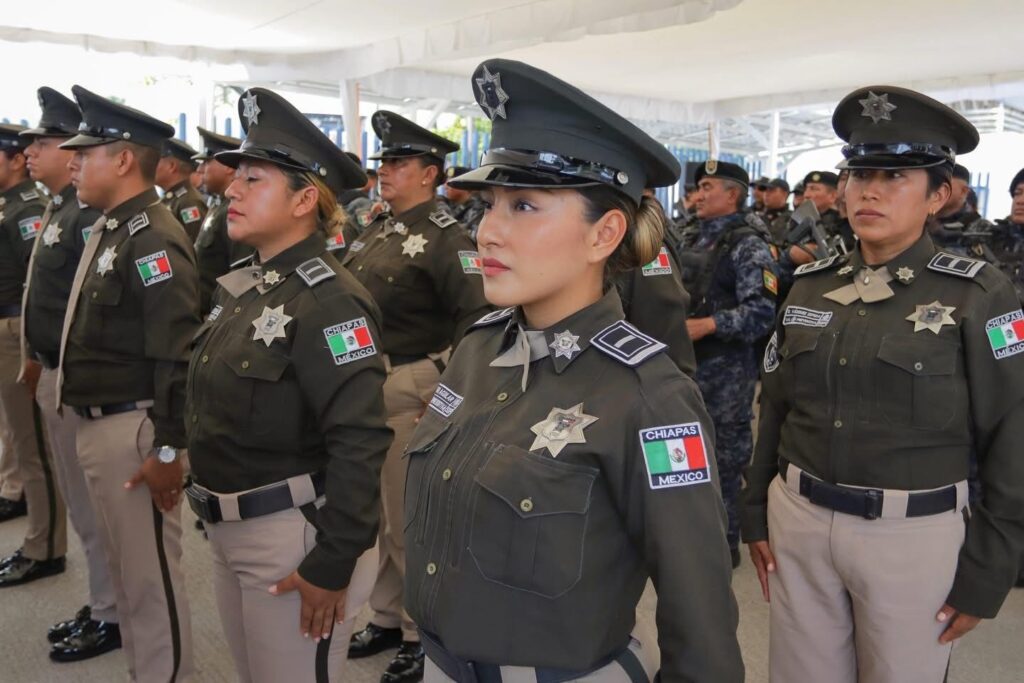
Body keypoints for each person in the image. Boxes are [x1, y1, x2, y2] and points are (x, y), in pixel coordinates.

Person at [405, 57, 742, 682]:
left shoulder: (648, 396)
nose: (488, 232)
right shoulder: (479, 349)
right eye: (490, 204)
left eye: (524, 205)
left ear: (603, 234)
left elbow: (699, 611)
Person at [741, 85, 1024, 683]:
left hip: (911, 536)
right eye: (860, 174)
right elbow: (778, 406)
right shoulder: (811, 285)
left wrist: (990, 567)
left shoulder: (978, 293)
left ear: (938, 195)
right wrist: (756, 510)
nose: (869, 191)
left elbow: (1013, 433)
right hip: (800, 519)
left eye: (895, 176)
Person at [185, 87, 392, 682]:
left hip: (294, 535)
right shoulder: (250, 284)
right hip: (232, 529)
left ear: (305, 199)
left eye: (253, 179)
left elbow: (359, 440)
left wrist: (333, 561)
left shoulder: (330, 301)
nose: (232, 189)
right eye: (237, 176)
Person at [344, 110, 491, 683]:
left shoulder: (448, 238)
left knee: (410, 520)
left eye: (398, 162)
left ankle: (419, 633)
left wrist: (449, 389)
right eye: (383, 161)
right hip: (368, 384)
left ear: (430, 173)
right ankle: (386, 615)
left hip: (414, 385)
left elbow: (479, 320)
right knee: (380, 514)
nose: (384, 170)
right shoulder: (380, 227)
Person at [58, 85, 199, 681]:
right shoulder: (116, 228)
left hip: (132, 428)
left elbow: (177, 354)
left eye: (85, 153)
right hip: (100, 421)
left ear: (121, 159)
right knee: (125, 575)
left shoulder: (152, 237)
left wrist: (167, 450)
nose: (72, 162)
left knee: (149, 582)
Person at [17, 86, 121, 662]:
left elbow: (95, 309)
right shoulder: (60, 206)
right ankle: (104, 600)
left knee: (94, 507)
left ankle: (112, 610)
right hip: (55, 370)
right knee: (82, 507)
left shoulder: (85, 216)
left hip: (80, 379)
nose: (32, 152)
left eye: (45, 143)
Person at [677, 160, 778, 567]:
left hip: (725, 377)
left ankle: (722, 550)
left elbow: (763, 313)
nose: (698, 195)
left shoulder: (748, 245)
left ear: (732, 194)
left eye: (707, 187)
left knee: (722, 466)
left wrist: (709, 325)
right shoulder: (689, 236)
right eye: (698, 187)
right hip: (682, 370)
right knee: (680, 457)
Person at [0, 124, 57, 585]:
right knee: (19, 438)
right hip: (7, 330)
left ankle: (45, 546)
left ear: (15, 160)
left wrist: (31, 346)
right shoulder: (12, 205)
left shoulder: (28, 210)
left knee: (33, 446)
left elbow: (34, 283)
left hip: (16, 331)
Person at [193, 126, 252, 315]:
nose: (200, 169)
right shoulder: (218, 205)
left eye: (207, 162)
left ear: (227, 167)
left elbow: (241, 277)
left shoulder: (237, 211)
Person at [932, 163, 993, 257]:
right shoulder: (920, 219)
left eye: (944, 186)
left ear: (963, 191)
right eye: (933, 183)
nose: (934, 189)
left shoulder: (983, 229)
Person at [156, 138, 207, 242]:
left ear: (171, 166)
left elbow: (194, 245)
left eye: (156, 161)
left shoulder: (189, 202)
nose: (151, 166)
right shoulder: (174, 199)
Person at [442, 166, 486, 239]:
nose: (445, 186)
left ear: (464, 186)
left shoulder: (478, 210)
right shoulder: (446, 204)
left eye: (450, 182)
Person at [762, 177, 792, 242]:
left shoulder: (792, 219)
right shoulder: (757, 217)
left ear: (784, 194)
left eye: (771, 190)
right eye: (765, 190)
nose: (766, 194)